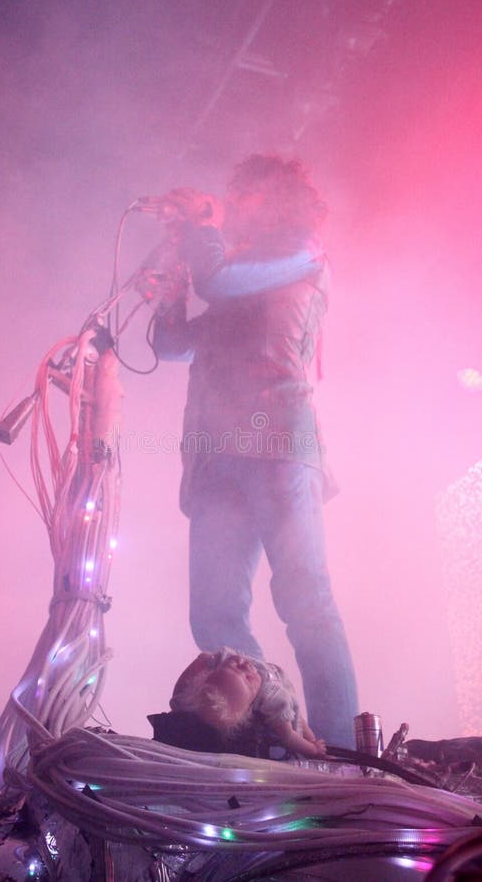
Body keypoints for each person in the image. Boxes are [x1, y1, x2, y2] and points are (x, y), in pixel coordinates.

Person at [152, 154, 358, 748]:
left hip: (278, 444)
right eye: (235, 191)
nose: (236, 201)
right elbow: (172, 345)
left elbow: (217, 280)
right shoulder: (237, 271)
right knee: (214, 614)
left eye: (248, 192)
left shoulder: (303, 253)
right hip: (216, 455)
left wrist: (202, 231)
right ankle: (274, 729)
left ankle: (341, 751)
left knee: (304, 600)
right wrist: (169, 293)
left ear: (283, 199)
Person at [169, 648, 326, 759]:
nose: (244, 664)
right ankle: (317, 748)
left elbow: (201, 661)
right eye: (247, 678)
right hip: (283, 689)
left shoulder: (219, 661)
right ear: (249, 708)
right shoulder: (271, 698)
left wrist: (177, 702)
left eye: (232, 666)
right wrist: (313, 749)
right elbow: (288, 736)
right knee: (299, 723)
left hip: (271, 673)